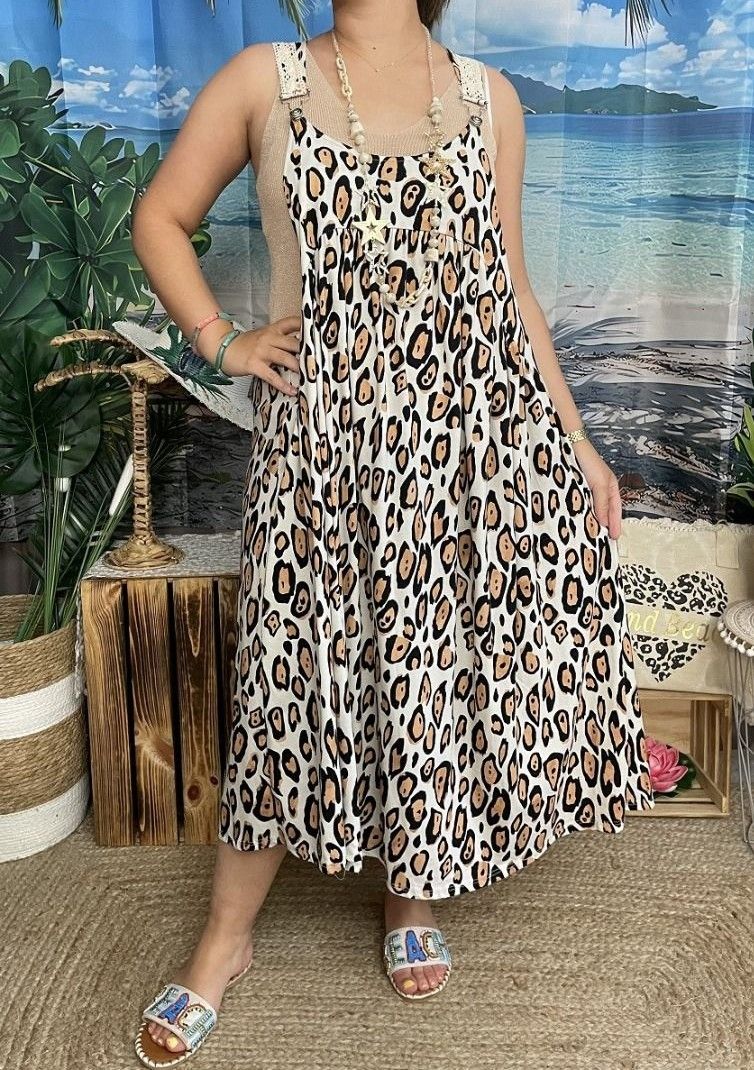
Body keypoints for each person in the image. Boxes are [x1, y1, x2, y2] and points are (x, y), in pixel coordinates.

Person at [130, 1, 655, 1063]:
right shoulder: (264, 79)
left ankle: (410, 892)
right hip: (321, 459)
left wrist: (578, 440)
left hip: (472, 452)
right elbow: (159, 218)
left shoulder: (489, 99)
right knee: (289, 679)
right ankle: (225, 937)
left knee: (434, 670)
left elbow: (510, 289)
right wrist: (222, 340)